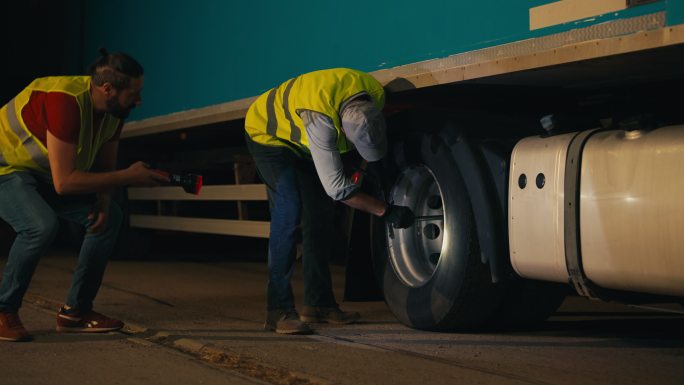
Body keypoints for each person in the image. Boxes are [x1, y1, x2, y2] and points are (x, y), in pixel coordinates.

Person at [0, 49, 168, 342]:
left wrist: (103, 201)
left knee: (110, 216)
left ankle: (74, 313)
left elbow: (104, 169)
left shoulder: (114, 114)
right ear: (107, 89)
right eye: (134, 93)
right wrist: (130, 176)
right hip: (6, 169)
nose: (139, 101)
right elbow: (65, 183)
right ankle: (3, 310)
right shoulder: (65, 101)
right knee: (39, 226)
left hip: (39, 174)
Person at [245, 68, 414, 335]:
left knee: (319, 216)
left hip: (301, 138)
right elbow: (337, 189)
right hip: (269, 136)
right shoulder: (321, 123)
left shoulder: (374, 95)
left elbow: (362, 144)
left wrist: (365, 169)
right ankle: (277, 310)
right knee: (289, 210)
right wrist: (386, 210)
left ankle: (319, 304)